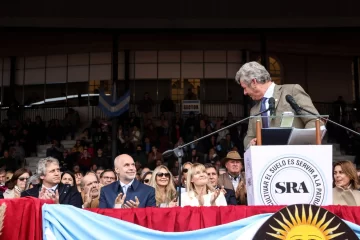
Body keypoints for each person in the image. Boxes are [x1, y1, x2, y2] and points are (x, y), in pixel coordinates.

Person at [235, 61, 322, 149]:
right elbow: (248, 138)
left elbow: (315, 121)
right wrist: (251, 143)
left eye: (245, 88)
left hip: (295, 157)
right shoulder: (254, 110)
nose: (244, 93)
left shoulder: (292, 91)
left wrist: (302, 144)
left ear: (254, 82)